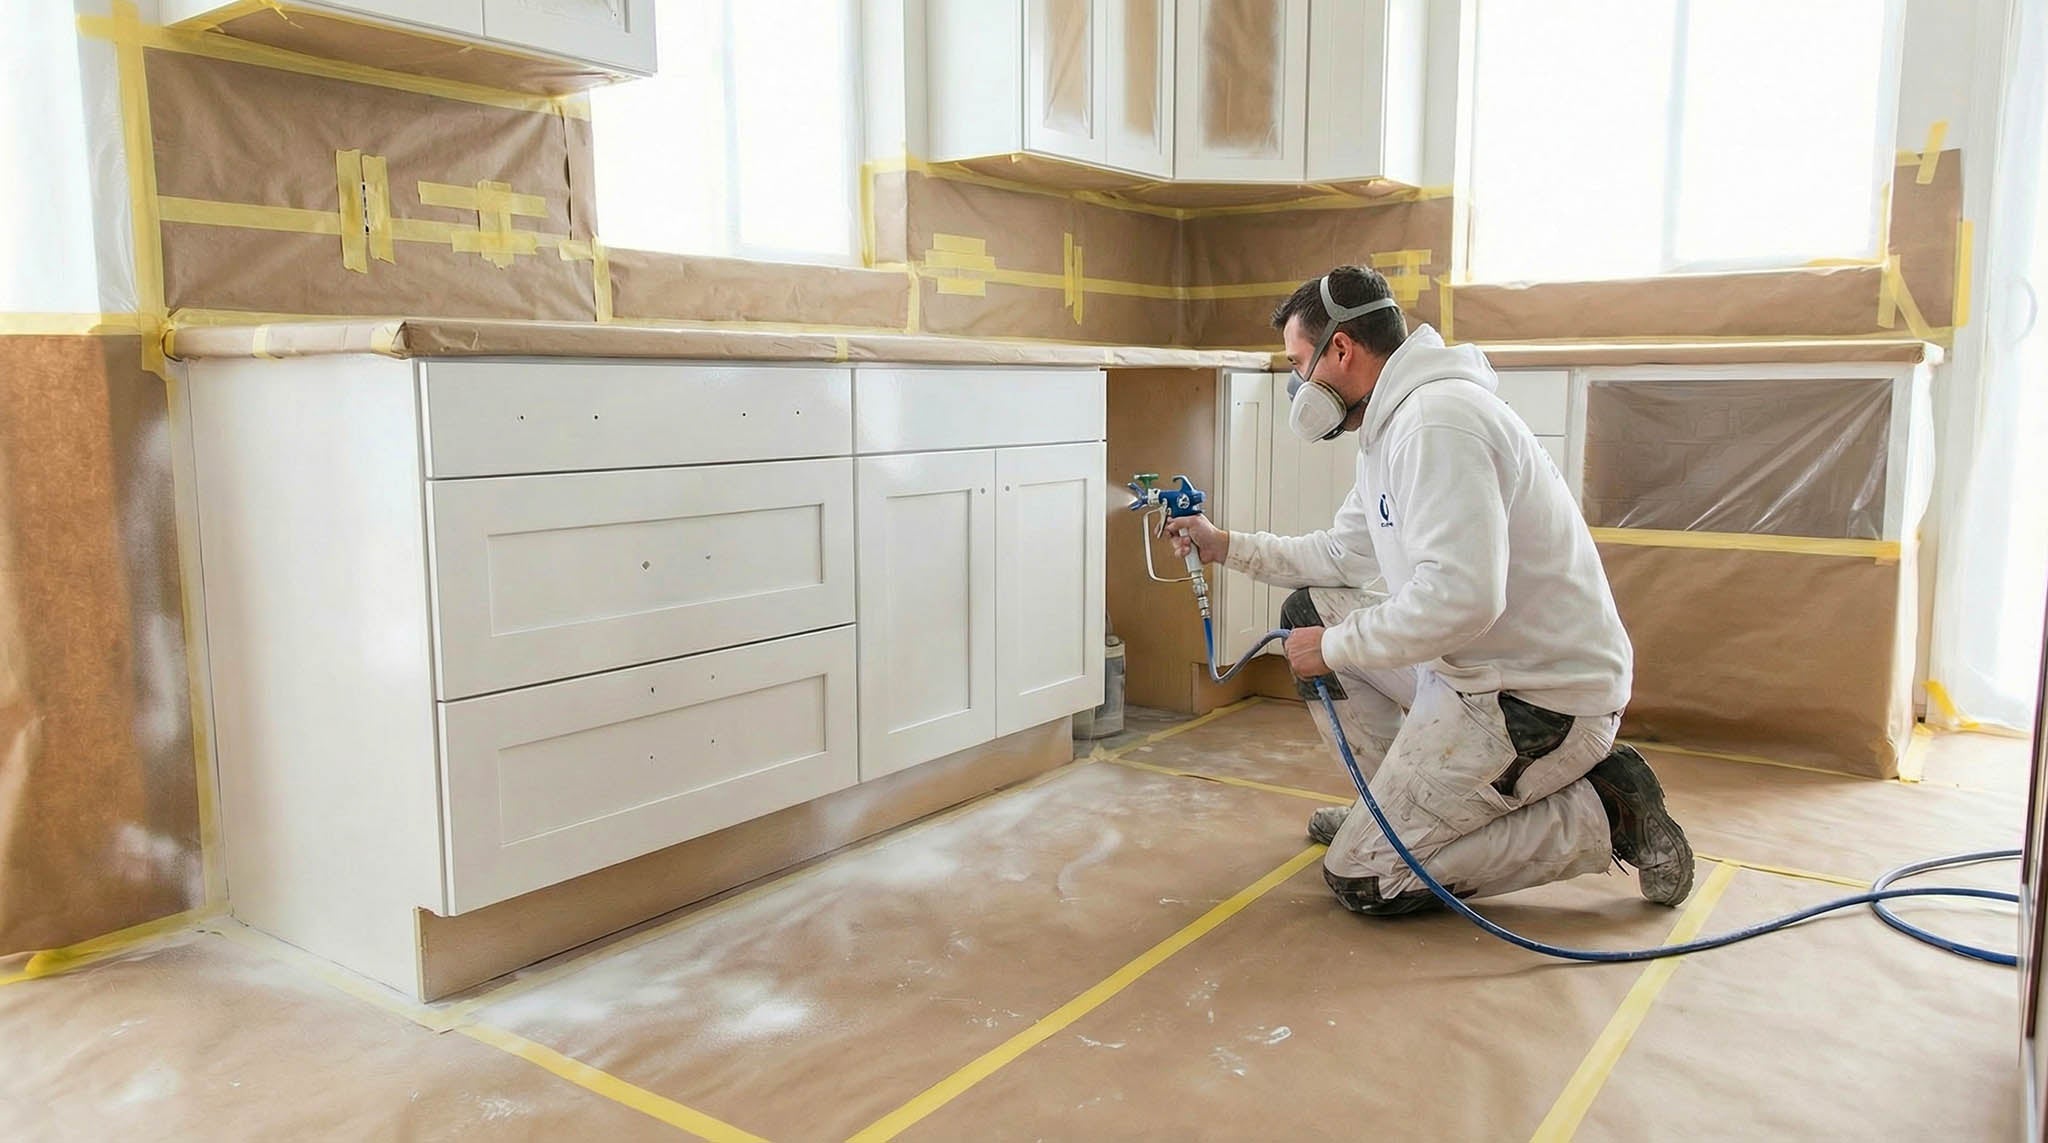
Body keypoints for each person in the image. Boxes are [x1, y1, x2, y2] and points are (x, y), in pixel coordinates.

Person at [1164, 265, 1694, 916]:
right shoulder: (1390, 427)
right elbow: (1340, 555)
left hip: (1539, 701)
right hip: (1472, 671)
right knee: (1309, 608)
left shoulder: (1438, 424)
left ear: (1341, 349)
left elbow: (1463, 599)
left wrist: (1334, 647)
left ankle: (1604, 812)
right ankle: (1391, 812)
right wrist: (1225, 545)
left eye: (1298, 363)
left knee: (1365, 878)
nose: (1298, 384)